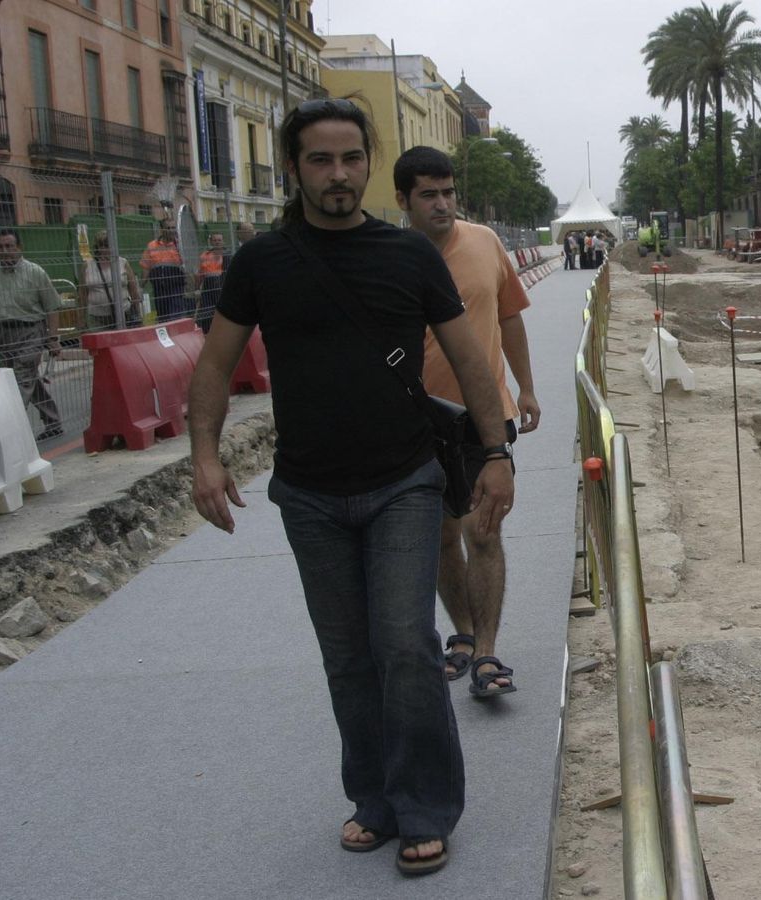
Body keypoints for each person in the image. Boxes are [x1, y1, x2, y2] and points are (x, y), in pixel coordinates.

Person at [189, 97, 514, 878]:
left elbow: (470, 359)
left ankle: (426, 805)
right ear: (294, 166)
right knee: (347, 658)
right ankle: (374, 798)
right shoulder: (262, 261)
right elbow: (213, 362)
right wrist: (203, 453)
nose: (338, 175)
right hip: (308, 495)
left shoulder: (407, 258)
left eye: (351, 159)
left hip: (404, 481)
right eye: (320, 160)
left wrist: (496, 453)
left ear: (370, 165)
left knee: (404, 645)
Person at [394, 145, 541, 700]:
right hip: (416, 422)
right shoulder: (391, 255)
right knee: (439, 535)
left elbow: (510, 316)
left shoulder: (484, 242)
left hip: (486, 417)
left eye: (449, 192)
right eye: (428, 195)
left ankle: (486, 652)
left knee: (484, 529)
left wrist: (525, 387)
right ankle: (460, 631)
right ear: (403, 200)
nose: (442, 204)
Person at [0, 229, 63, 439]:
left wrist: (53, 339)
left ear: (19, 248)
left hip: (31, 331)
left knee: (21, 381)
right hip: (5, 333)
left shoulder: (35, 272)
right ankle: (53, 421)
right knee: (22, 380)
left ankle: (11, 434)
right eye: (0, 247)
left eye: (9, 246)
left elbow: (52, 307)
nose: (5, 251)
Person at [79, 230, 140, 332]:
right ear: (97, 247)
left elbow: (133, 290)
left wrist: (137, 314)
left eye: (107, 245)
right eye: (101, 246)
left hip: (123, 314)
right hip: (96, 316)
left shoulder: (123, 263)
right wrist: (81, 319)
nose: (104, 249)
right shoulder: (87, 266)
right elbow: (82, 294)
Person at [141, 220, 188, 321]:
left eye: (173, 228)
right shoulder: (152, 246)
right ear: (161, 230)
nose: (172, 230)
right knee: (163, 318)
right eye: (168, 228)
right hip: (159, 289)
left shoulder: (180, 246)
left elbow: (188, 266)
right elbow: (146, 267)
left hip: (176, 288)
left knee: (175, 317)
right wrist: (140, 287)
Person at [194, 232, 226, 330]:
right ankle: (207, 331)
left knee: (221, 311)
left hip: (222, 286)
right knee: (206, 311)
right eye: (215, 240)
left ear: (223, 242)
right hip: (208, 287)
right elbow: (199, 273)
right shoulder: (205, 256)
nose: (217, 242)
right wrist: (197, 289)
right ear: (211, 242)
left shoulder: (227, 255)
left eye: (219, 240)